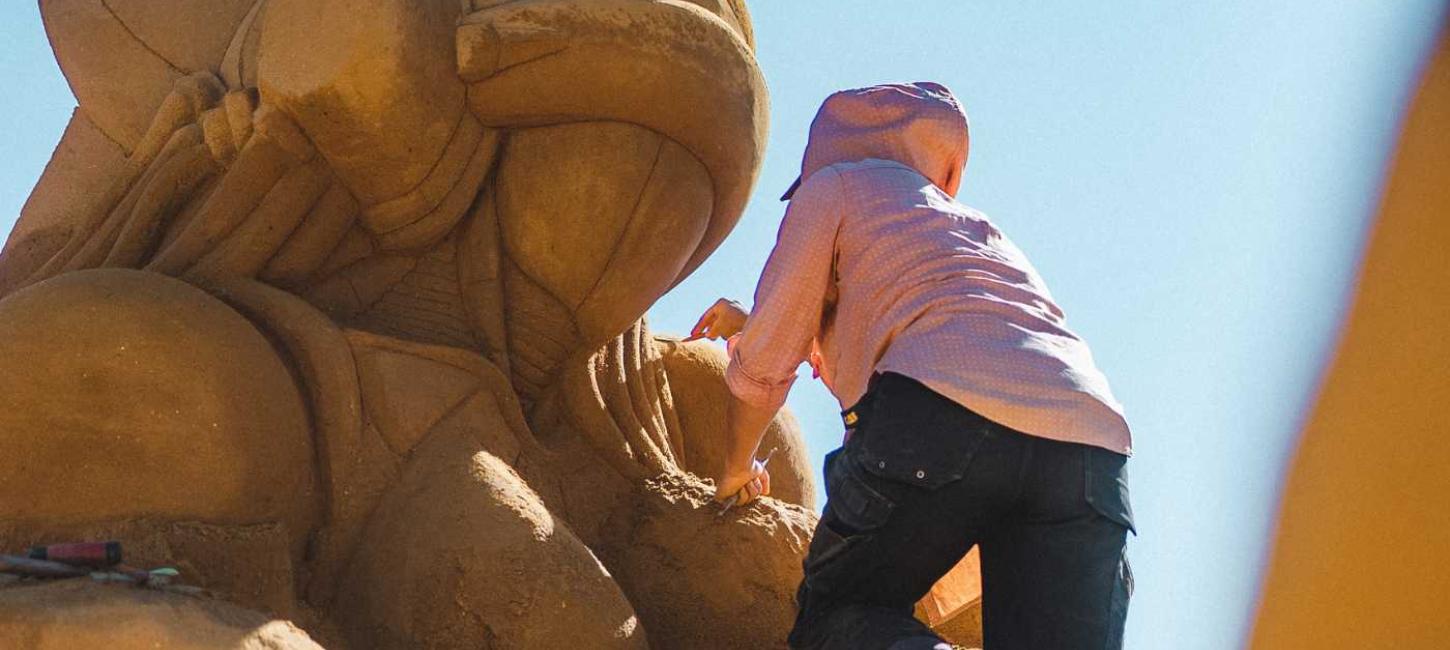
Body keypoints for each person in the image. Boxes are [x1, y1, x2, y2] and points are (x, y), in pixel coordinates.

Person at [688, 82, 1135, 650]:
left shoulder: (836, 186)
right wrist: (755, 321)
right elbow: (948, 335)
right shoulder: (975, 231)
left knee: (842, 615)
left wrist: (735, 468)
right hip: (1091, 446)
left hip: (943, 422)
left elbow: (770, 360)